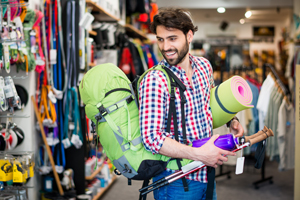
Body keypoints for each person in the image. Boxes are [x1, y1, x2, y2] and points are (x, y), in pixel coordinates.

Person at [138, 8, 244, 200]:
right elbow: (151, 138)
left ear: (189, 36)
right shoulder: (155, 80)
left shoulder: (205, 66)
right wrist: (199, 154)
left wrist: (232, 120)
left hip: (206, 172)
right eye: (160, 39)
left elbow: (210, 101)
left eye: (172, 38)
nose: (165, 47)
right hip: (175, 179)